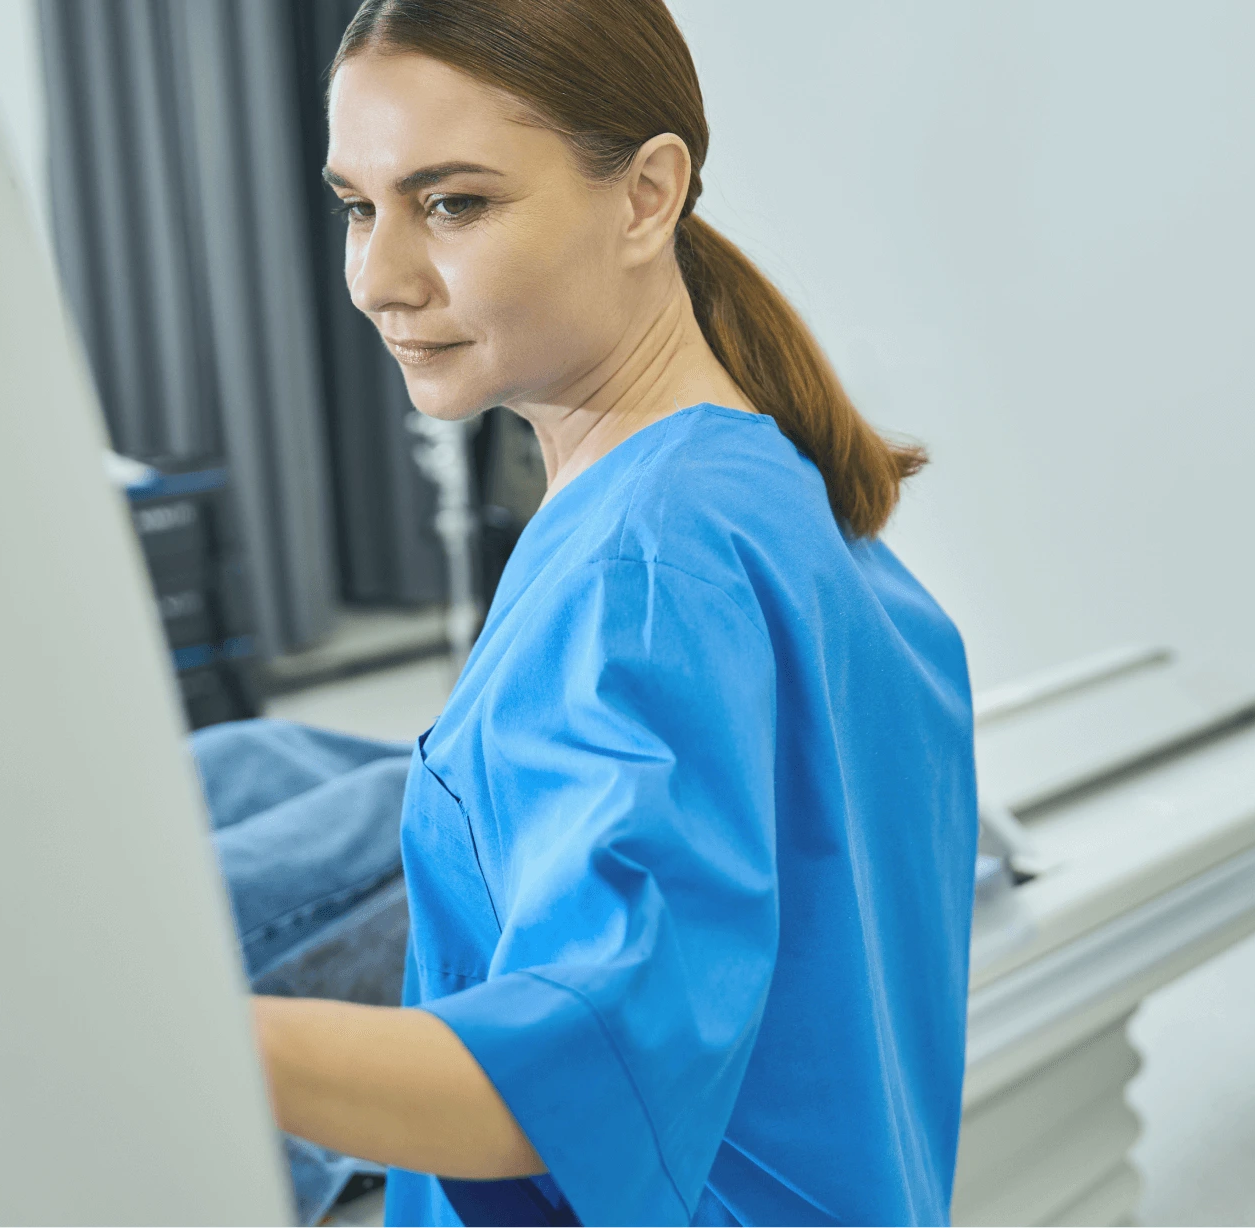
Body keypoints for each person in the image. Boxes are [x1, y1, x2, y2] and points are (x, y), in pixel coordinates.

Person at [249, 1, 979, 1224]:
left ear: (647, 195)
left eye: (453, 203)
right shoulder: (768, 487)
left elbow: (569, 1072)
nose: (378, 278)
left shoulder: (644, 567)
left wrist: (173, 1029)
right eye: (357, 207)